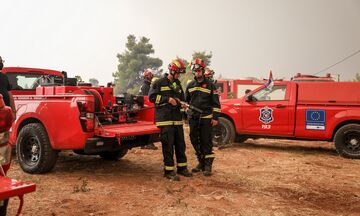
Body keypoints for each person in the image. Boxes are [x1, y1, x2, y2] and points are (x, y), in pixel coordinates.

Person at [148, 59, 192, 181]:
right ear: (171, 70)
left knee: (180, 145)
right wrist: (167, 99)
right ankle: (169, 171)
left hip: (177, 120)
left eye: (180, 73)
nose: (179, 75)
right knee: (168, 146)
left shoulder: (177, 84)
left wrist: (182, 104)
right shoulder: (159, 83)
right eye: (178, 72)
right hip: (165, 120)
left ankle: (182, 168)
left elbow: (181, 98)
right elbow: (151, 97)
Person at [185, 58, 221, 176]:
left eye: (199, 70)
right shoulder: (190, 85)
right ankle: (201, 162)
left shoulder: (211, 86)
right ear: (193, 72)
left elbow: (216, 104)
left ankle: (208, 165)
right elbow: (186, 102)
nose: (197, 72)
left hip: (206, 118)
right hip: (193, 118)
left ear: (202, 70)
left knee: (206, 141)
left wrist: (215, 118)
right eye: (195, 71)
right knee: (194, 139)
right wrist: (186, 114)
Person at [139, 69, 158, 150]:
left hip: (145, 107)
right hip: (146, 108)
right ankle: (147, 143)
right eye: (150, 76)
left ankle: (145, 143)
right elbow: (148, 98)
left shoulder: (146, 85)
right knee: (148, 126)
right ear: (146, 76)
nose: (151, 77)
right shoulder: (145, 86)